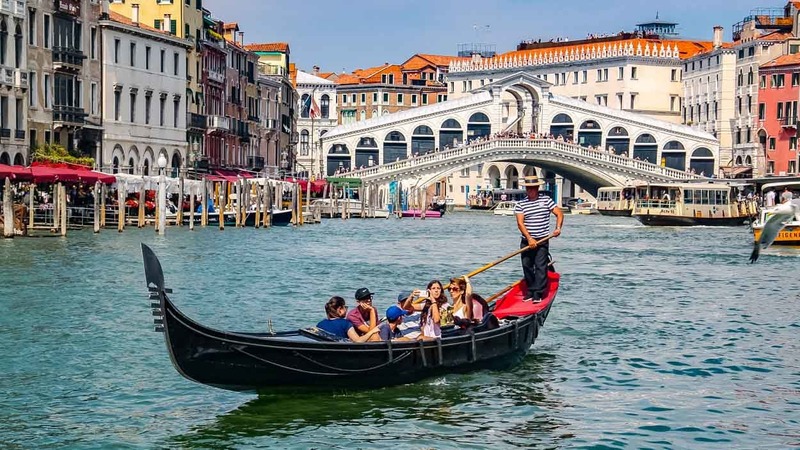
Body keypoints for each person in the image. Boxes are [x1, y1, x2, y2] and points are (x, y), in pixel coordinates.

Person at [514, 175, 564, 303]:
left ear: (537, 188)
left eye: (532, 188)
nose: (530, 191)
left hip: (542, 239)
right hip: (527, 240)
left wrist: (558, 228)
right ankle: (530, 290)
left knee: (540, 266)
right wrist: (529, 238)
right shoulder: (520, 204)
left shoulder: (546, 200)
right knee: (527, 266)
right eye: (528, 188)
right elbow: (520, 223)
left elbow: (559, 213)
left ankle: (538, 293)